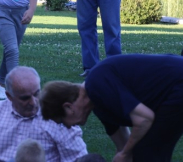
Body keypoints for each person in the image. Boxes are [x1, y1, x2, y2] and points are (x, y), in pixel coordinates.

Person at [40, 54, 183, 162]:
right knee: (141, 151)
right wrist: (124, 153)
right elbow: (124, 144)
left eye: (62, 121)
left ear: (68, 107)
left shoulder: (96, 85)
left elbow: (144, 119)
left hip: (177, 85)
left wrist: (126, 153)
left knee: (147, 153)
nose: (69, 127)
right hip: (171, 93)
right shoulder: (98, 105)